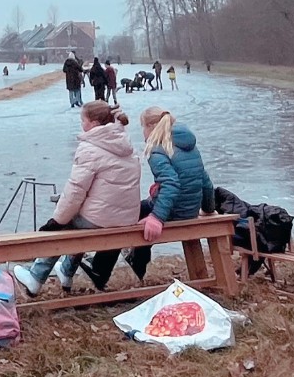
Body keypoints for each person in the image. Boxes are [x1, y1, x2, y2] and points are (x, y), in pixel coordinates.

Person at [11, 101, 141, 297]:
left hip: (101, 220)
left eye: (83, 120)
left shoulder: (90, 148)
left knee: (63, 224)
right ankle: (66, 271)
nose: (81, 124)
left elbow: (75, 190)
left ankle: (35, 278)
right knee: (77, 219)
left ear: (94, 123)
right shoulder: (125, 144)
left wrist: (55, 221)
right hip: (125, 219)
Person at [125, 106, 216, 282]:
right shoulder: (191, 147)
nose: (142, 132)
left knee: (129, 212)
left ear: (151, 127)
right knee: (145, 207)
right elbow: (205, 181)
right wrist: (208, 208)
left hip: (173, 212)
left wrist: (157, 217)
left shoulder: (158, 150)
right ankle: (136, 260)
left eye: (142, 127)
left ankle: (128, 264)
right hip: (190, 210)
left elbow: (170, 183)